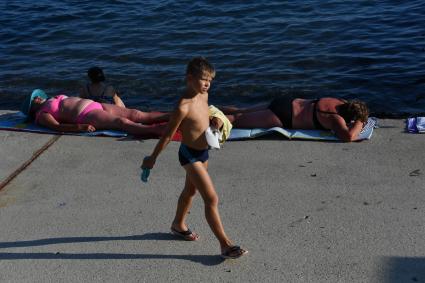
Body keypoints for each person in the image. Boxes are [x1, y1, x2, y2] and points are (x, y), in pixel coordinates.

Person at [141, 57, 248, 259]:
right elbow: (167, 135)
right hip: (189, 155)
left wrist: (215, 121)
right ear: (190, 78)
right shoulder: (182, 106)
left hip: (203, 152)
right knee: (211, 198)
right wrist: (152, 158)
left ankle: (178, 224)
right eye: (204, 79)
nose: (208, 84)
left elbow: (204, 115)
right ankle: (225, 244)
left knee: (190, 191)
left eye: (210, 80)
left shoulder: (203, 96)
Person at [21, 89, 168, 136]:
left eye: (37, 95)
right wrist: (79, 128)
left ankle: (173, 115)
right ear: (31, 108)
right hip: (85, 115)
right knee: (121, 123)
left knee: (136, 114)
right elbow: (57, 127)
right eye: (34, 99)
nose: (38, 97)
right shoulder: (42, 115)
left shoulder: (50, 99)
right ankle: (156, 130)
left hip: (95, 105)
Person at [222, 96, 369, 142]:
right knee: (235, 120)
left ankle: (208, 108)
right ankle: (203, 121)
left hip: (287, 101)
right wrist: (360, 122)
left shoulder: (339, 100)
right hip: (284, 116)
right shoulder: (336, 119)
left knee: (240, 111)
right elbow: (348, 137)